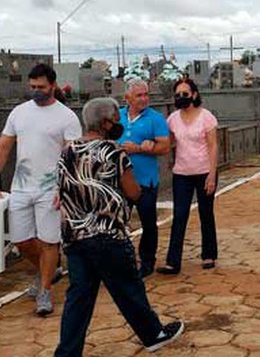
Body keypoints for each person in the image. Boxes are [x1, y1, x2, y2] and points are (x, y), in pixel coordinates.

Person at [54, 98, 184, 356]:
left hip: (75, 236)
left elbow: (63, 190)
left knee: (79, 297)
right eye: (115, 119)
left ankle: (67, 352)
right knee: (128, 287)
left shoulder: (67, 151)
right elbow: (133, 191)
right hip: (107, 233)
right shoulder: (113, 151)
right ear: (104, 122)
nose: (118, 124)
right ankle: (153, 334)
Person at [0, 64, 82, 316]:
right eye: (33, 87)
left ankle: (45, 289)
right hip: (21, 187)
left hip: (51, 189)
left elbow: (73, 156)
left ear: (53, 86)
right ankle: (47, 269)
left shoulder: (66, 116)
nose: (36, 91)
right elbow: (4, 146)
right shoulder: (19, 113)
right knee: (21, 240)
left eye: (42, 87)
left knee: (49, 240)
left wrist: (65, 188)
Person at [157, 79, 219, 275]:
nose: (181, 97)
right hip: (182, 173)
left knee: (205, 213)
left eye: (185, 93)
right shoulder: (173, 119)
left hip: (203, 171)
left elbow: (213, 146)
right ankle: (173, 262)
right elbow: (169, 141)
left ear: (193, 94)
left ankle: (208, 254)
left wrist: (212, 174)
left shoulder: (206, 117)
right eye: (178, 94)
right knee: (180, 215)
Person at [118, 79, 170, 278]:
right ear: (127, 98)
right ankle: (123, 260)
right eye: (139, 95)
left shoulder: (155, 119)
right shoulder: (118, 117)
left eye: (145, 94)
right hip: (120, 181)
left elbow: (165, 146)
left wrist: (138, 148)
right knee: (119, 223)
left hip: (145, 181)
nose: (144, 99)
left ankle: (147, 261)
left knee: (148, 223)